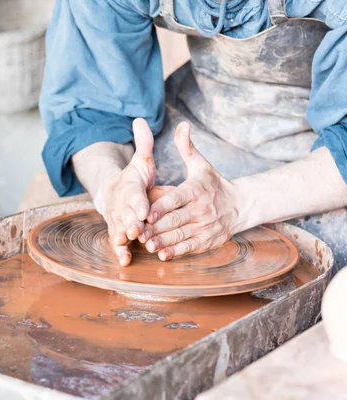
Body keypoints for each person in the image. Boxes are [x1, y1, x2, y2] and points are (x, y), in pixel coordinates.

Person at [37, 0, 347, 270]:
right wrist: (111, 186)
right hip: (199, 122)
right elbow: (93, 105)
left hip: (323, 163)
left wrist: (238, 204)